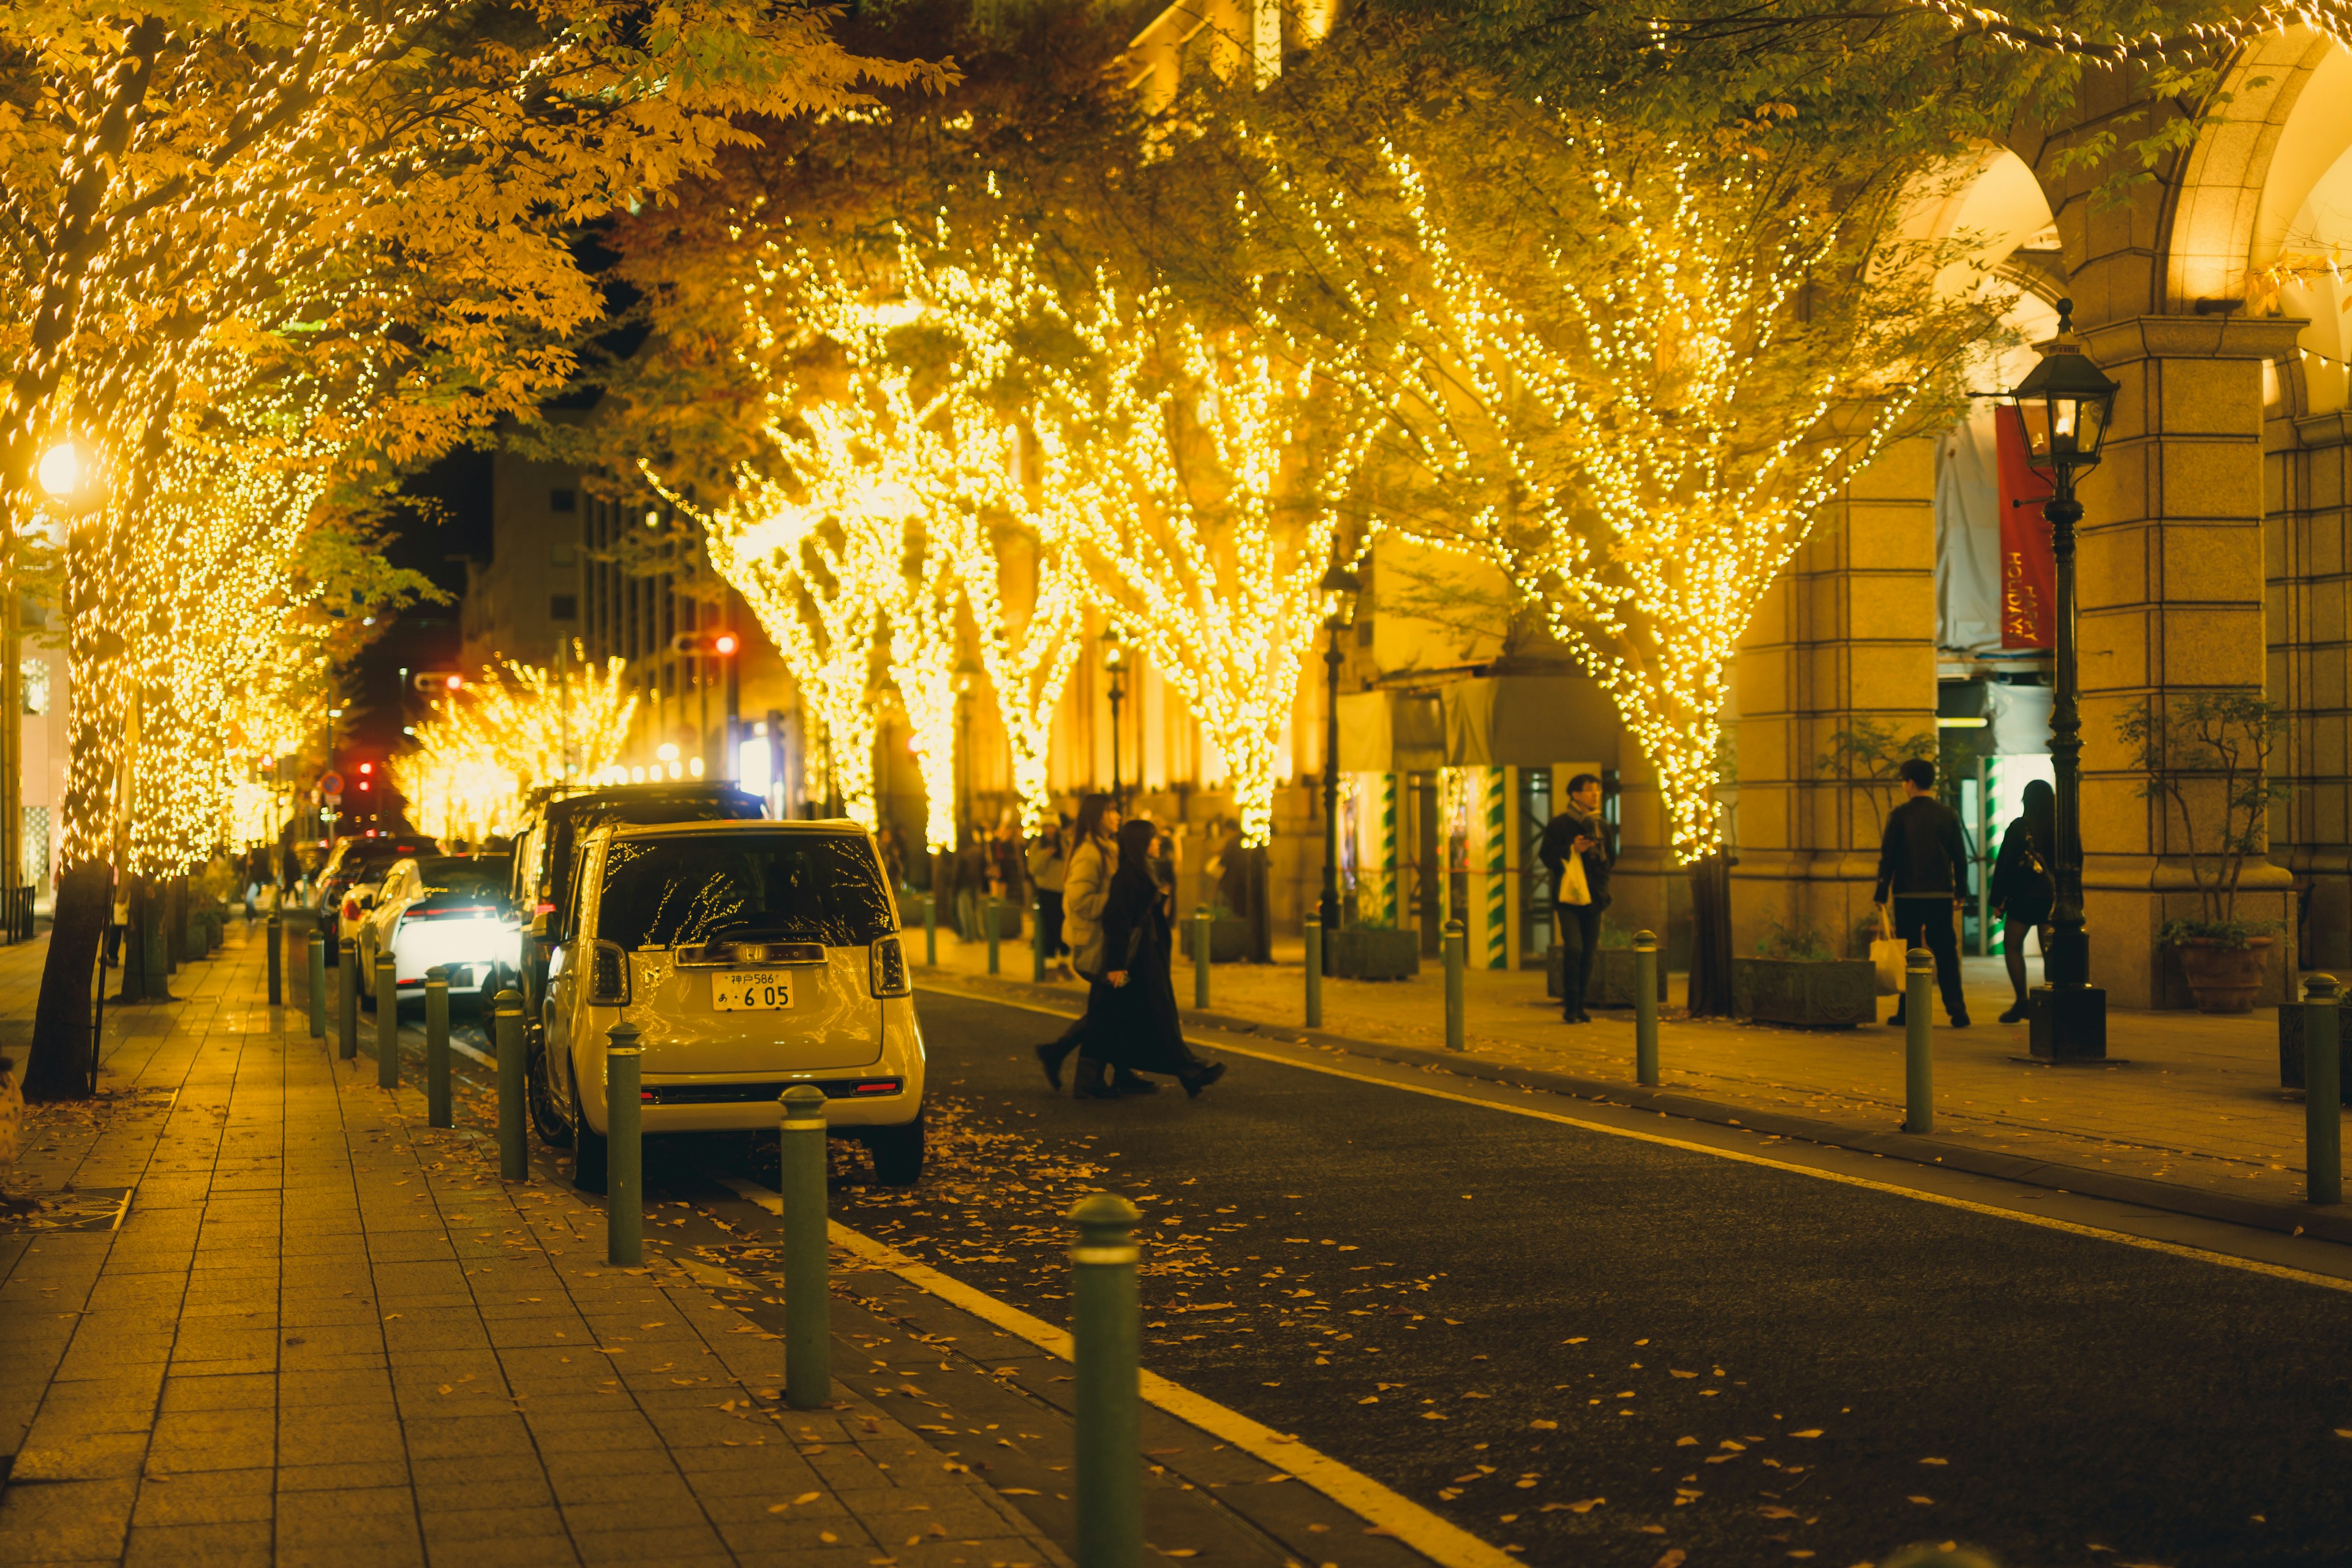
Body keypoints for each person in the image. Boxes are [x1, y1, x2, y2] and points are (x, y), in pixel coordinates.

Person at [1080, 818, 1226, 1100]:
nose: (1159, 843)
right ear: (1141, 844)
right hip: (1134, 959)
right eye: (1154, 839)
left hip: (1143, 955)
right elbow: (1118, 920)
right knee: (1152, 1015)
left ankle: (1178, 1073)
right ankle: (1189, 1071)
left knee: (1121, 1017)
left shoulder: (1140, 870)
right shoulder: (1128, 875)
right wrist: (1116, 966)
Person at [1035, 795, 1137, 1090]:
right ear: (1096, 817)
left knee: (1113, 1006)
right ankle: (1087, 1072)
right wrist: (1116, 903)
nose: (1118, 816)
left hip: (1109, 942)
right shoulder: (1090, 853)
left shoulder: (1108, 848)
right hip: (1098, 945)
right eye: (1112, 811)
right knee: (1110, 1007)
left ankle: (1107, 1069)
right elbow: (1079, 899)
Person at [1874, 756, 1972, 1028]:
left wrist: (1881, 892)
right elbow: (1959, 857)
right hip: (1940, 894)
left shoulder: (1900, 816)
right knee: (1946, 951)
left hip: (1907, 895)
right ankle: (1956, 1007)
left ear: (1911, 783)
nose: (1904, 787)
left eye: (1904, 781)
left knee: (1910, 952)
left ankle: (1908, 1010)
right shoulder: (1948, 814)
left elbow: (1888, 858)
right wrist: (1961, 890)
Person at [1538, 774, 1611, 1024]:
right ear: (1576, 795)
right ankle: (1570, 1004)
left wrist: (1598, 866)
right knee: (1574, 948)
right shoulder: (1560, 824)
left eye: (1598, 791)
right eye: (1590, 791)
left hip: (1594, 898)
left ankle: (1580, 1005)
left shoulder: (1601, 824)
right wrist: (1572, 850)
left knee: (1589, 953)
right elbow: (1546, 855)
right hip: (1568, 897)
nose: (1595, 795)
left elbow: (1611, 857)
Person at [1988, 778, 2057, 1024]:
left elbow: (2004, 865)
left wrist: (1998, 900)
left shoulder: (2019, 827)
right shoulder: (2059, 827)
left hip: (2023, 898)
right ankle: (2053, 1002)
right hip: (2051, 899)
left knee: (2013, 946)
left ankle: (2021, 1001)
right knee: (2051, 951)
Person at [1027, 813, 1071, 970]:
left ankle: (1064, 961)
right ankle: (1050, 961)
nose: (1049, 830)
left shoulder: (1065, 843)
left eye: (1051, 826)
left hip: (1064, 890)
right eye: (1046, 826)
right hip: (1047, 891)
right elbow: (1033, 869)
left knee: (1065, 927)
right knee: (1050, 927)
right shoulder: (1037, 846)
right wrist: (1044, 855)